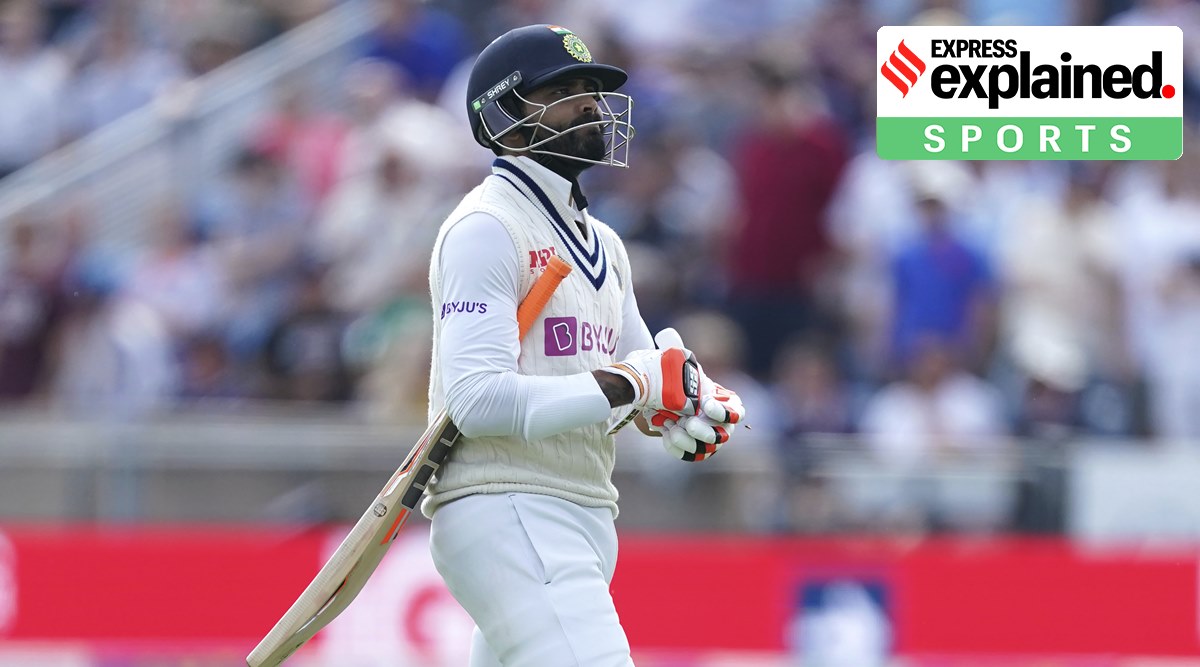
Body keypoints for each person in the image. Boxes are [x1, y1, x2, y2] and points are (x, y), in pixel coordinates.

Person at [422, 24, 746, 667]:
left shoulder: (606, 244)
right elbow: (475, 401)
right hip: (506, 504)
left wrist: (680, 402)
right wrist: (635, 383)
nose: (593, 106)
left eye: (594, 90)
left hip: (583, 509)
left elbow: (635, 385)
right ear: (507, 116)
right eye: (567, 91)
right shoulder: (487, 228)